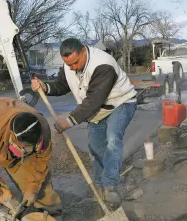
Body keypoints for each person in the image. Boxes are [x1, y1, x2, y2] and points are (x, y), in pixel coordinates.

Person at [31, 38, 137, 208]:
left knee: (112, 140)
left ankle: (110, 186)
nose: (72, 68)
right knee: (95, 147)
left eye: (75, 63)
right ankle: (100, 188)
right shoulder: (69, 65)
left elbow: (94, 99)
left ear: (83, 51)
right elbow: (61, 86)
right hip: (98, 109)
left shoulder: (103, 65)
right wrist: (45, 87)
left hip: (121, 103)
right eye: (68, 64)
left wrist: (69, 120)